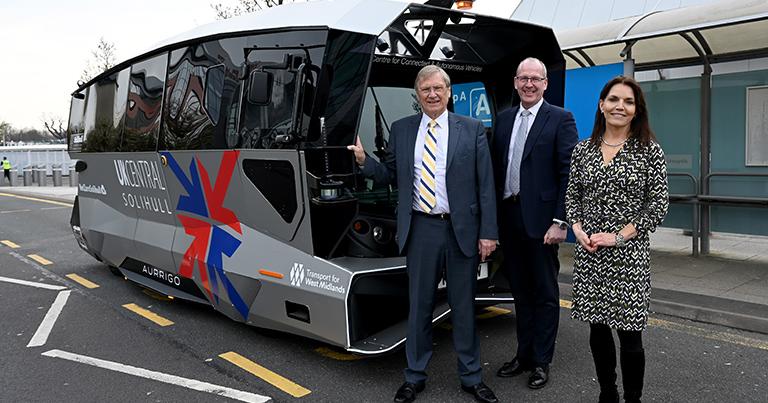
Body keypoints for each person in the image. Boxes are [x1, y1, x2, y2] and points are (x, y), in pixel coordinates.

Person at [348, 65, 499, 403]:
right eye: (425, 89)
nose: (432, 94)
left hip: (462, 230)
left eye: (438, 88)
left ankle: (472, 377)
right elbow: (389, 175)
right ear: (418, 95)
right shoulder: (402, 130)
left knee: (463, 306)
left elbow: (485, 185)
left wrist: (488, 233)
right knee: (419, 307)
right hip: (422, 229)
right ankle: (414, 377)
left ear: (449, 93)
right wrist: (363, 160)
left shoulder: (471, 128)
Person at [565, 76, 669, 403]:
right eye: (613, 100)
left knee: (629, 334)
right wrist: (578, 229)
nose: (619, 107)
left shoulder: (649, 151)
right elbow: (572, 198)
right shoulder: (583, 150)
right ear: (601, 105)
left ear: (636, 110)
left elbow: (658, 204)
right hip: (591, 254)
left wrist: (619, 236)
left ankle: (633, 399)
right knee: (598, 329)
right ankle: (607, 394)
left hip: (628, 257)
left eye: (627, 102)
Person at [491, 57, 578, 389]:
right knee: (520, 293)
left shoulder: (560, 119)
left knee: (544, 293)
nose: (529, 84)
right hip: (509, 218)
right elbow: (498, 170)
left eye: (535, 79)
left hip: (543, 224)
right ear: (515, 82)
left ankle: (542, 362)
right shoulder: (504, 119)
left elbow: (568, 173)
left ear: (545, 83)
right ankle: (523, 355)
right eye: (523, 78)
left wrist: (560, 221)